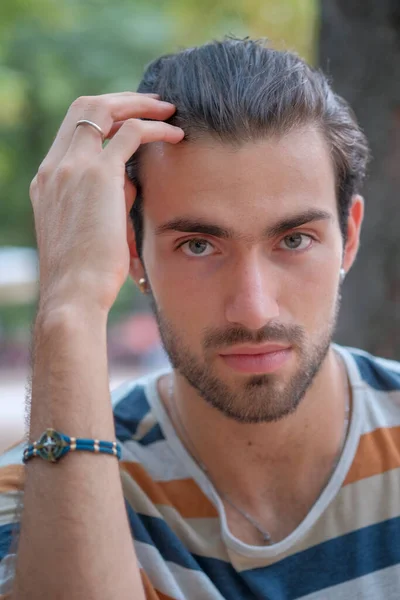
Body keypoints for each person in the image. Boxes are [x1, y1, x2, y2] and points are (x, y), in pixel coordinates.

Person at [0, 36, 399, 600]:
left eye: (294, 239)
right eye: (198, 246)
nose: (254, 309)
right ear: (133, 252)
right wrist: (69, 307)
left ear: (349, 237)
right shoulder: (42, 492)